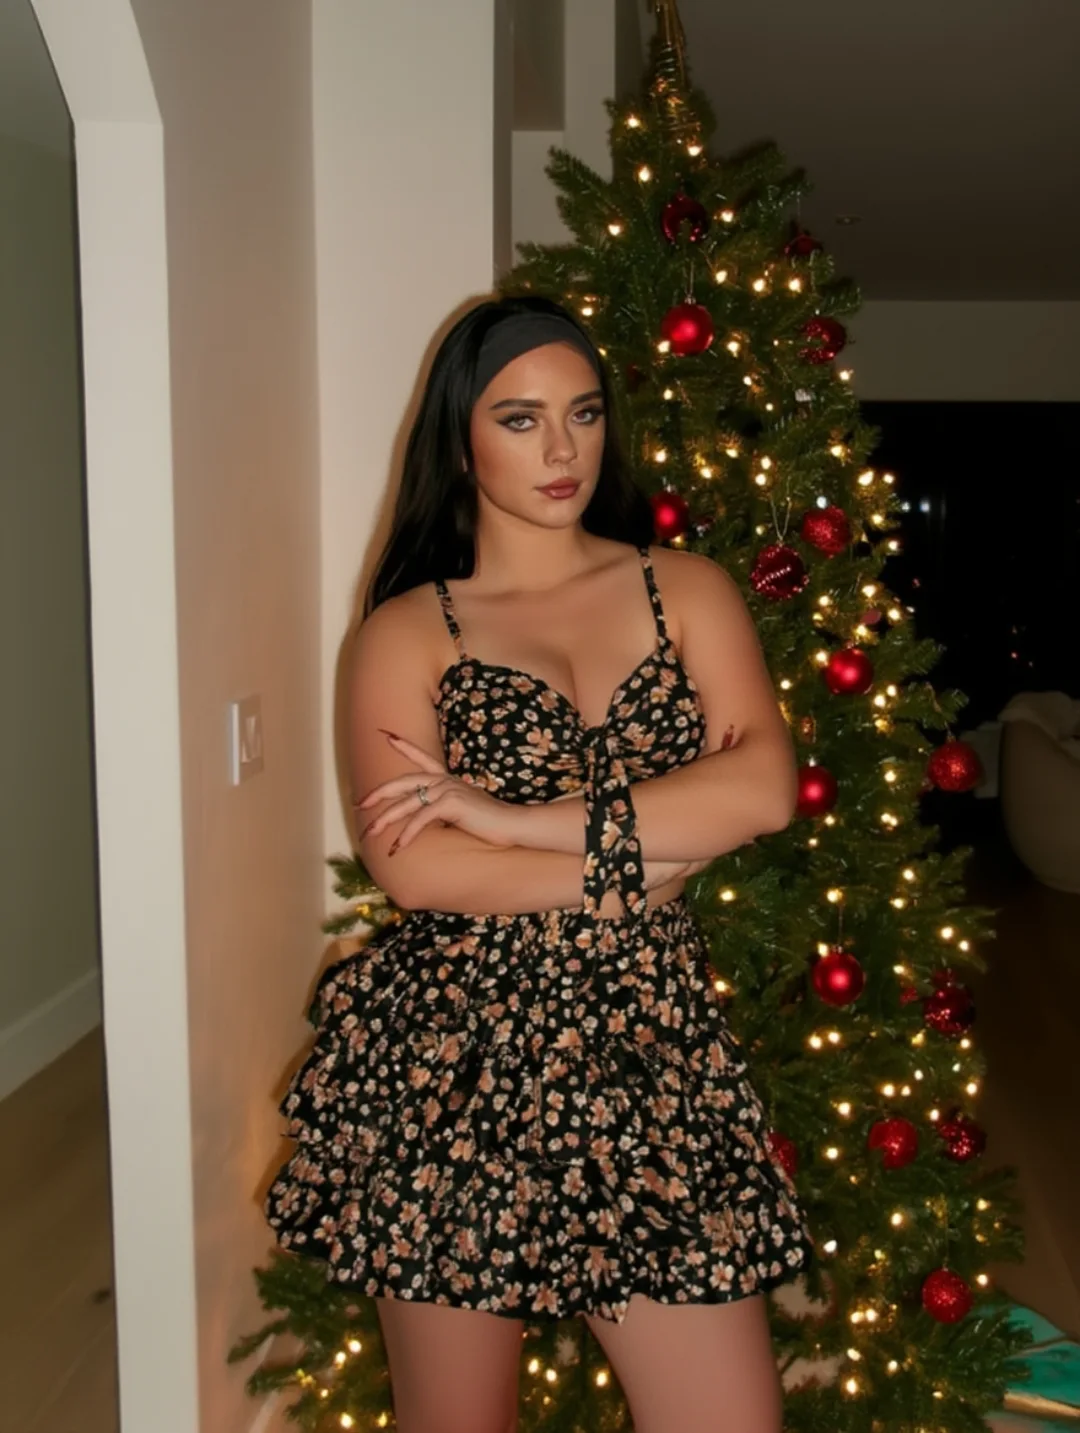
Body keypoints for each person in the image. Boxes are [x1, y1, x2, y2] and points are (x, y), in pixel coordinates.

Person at [264, 294, 814, 1433]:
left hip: (650, 1049)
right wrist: (645, 860)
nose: (563, 450)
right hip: (452, 1060)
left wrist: (509, 819)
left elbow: (763, 789)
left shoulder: (686, 588)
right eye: (520, 419)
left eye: (584, 413)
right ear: (461, 439)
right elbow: (419, 873)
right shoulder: (408, 629)